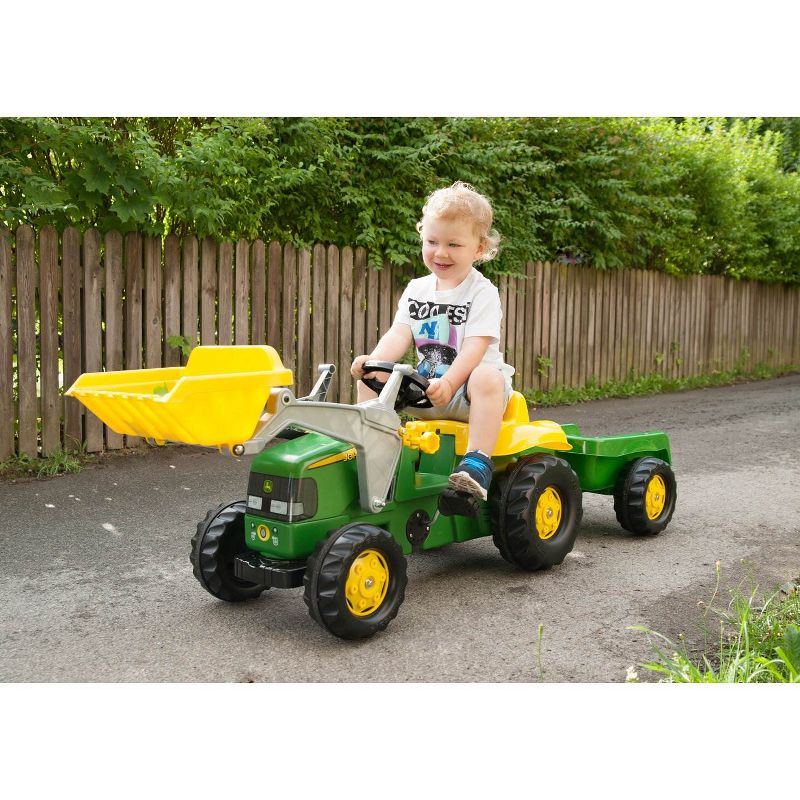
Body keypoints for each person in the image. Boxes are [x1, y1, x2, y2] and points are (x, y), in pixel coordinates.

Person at [351, 181, 514, 501]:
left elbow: (474, 348)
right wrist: (372, 361)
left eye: (454, 244)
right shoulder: (417, 289)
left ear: (479, 248)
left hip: (470, 395)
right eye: (432, 241)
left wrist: (451, 383)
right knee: (371, 377)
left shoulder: (482, 292)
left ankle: (478, 461)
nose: (441, 252)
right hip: (429, 390)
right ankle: (368, 450)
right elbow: (399, 333)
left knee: (486, 375)